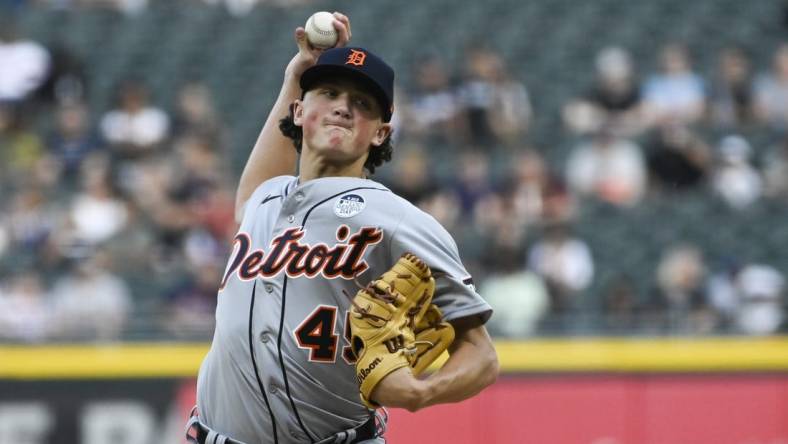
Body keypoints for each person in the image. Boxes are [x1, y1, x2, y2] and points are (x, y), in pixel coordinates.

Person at [187, 13, 498, 444]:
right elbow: (249, 197)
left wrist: (423, 392)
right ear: (299, 109)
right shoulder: (265, 200)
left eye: (362, 104)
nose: (342, 107)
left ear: (380, 132)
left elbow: (481, 353)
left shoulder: (399, 220)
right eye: (329, 92)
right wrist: (294, 76)